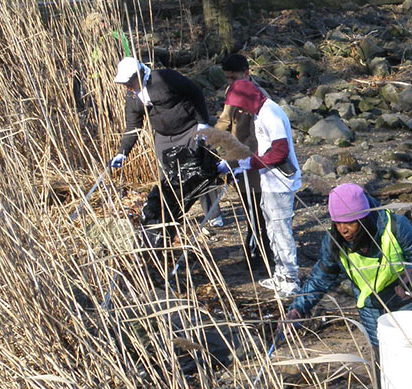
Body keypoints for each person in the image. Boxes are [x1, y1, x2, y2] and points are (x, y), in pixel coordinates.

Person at [285, 184, 412, 353]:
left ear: (364, 218)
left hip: (408, 302)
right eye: (338, 223)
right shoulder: (334, 242)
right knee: (383, 360)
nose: (343, 230)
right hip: (371, 308)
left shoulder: (395, 227)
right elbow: (321, 278)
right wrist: (298, 309)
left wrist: (411, 272)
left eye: (350, 222)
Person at [218, 78, 302, 298]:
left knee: (281, 231)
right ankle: (280, 274)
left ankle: (291, 279)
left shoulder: (270, 114)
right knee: (272, 230)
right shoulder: (260, 113)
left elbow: (280, 151)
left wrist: (251, 163)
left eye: (239, 104)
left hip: (280, 182)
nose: (239, 110)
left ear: (247, 100)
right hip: (269, 181)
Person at [109, 56, 218, 224]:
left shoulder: (164, 78)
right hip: (164, 137)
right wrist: (122, 153)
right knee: (167, 179)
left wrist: (202, 123)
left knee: (198, 171)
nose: (127, 87)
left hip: (189, 129)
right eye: (124, 83)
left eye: (129, 82)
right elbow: (133, 126)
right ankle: (170, 218)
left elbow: (195, 92)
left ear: (138, 75)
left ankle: (213, 215)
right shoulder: (132, 97)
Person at [215, 54, 270, 267]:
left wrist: (248, 159)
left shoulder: (260, 96)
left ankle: (259, 253)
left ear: (247, 73)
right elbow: (225, 120)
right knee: (248, 208)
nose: (230, 83)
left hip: (255, 159)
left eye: (234, 77)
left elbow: (260, 135)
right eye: (227, 79)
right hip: (237, 157)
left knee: (256, 207)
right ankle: (253, 248)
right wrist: (208, 138)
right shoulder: (233, 92)